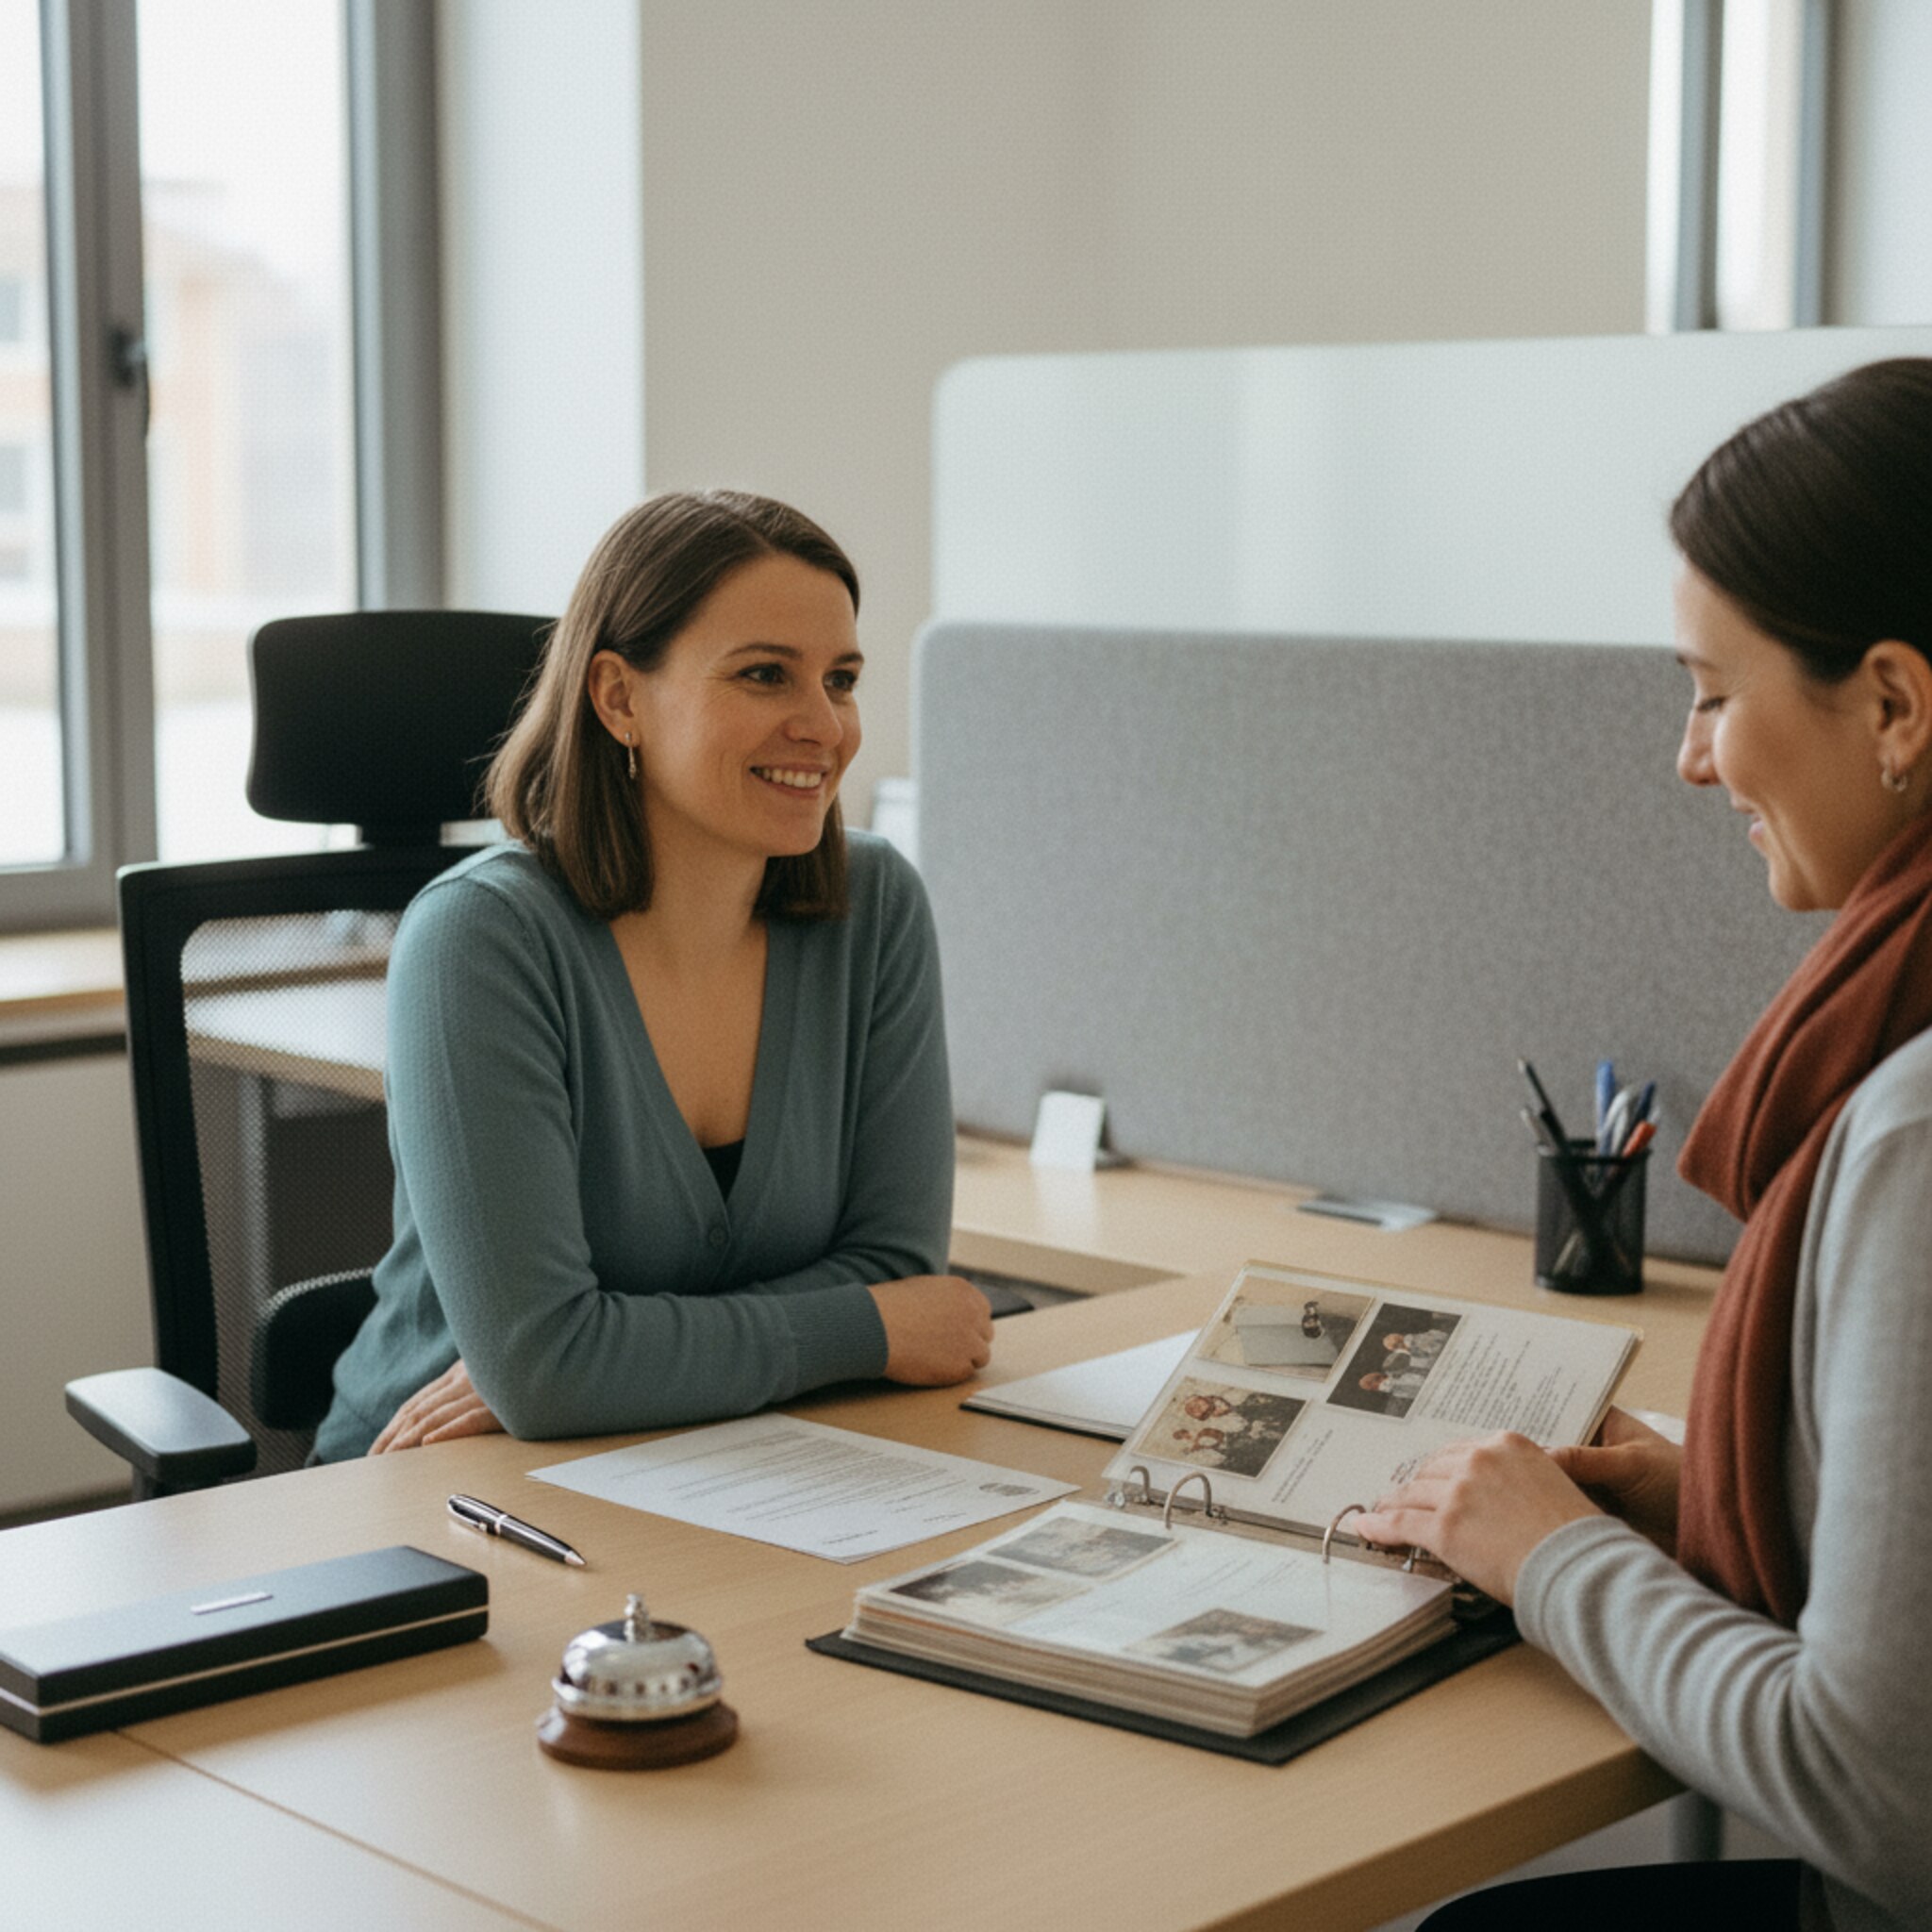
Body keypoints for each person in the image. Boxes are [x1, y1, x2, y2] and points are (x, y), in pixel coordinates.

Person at [1357, 359, 1932, 1931]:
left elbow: (1880, 1791)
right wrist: (1728, 1501)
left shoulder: (1914, 1126)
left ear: (1890, 703)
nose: (1689, 758)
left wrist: (1546, 1558)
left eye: (1711, 689)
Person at [311, 491, 992, 1462]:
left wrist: (611, 1351)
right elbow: (545, 1367)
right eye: (765, 675)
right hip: (441, 1480)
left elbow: (896, 1266)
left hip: (732, 1461)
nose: (826, 726)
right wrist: (866, 1326)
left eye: (838, 679)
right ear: (619, 697)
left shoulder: (872, 904)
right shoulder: (482, 939)